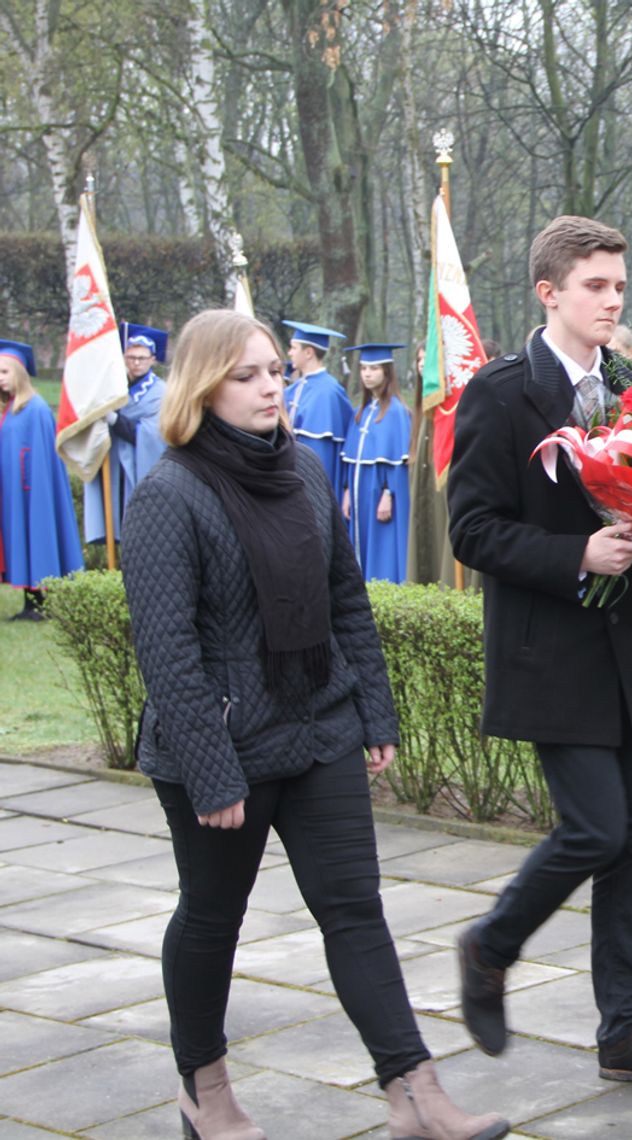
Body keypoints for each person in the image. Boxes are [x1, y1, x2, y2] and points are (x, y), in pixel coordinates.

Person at [120, 309, 508, 1140]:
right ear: (203, 387)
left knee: (354, 908)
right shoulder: (168, 495)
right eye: (247, 375)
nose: (270, 387)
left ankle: (414, 1093)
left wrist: (373, 707)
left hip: (317, 725)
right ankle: (205, 1090)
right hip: (222, 743)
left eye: (273, 371)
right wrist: (211, 768)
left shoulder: (299, 469)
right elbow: (167, 650)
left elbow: (344, 600)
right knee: (212, 915)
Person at [448, 215, 632, 1090]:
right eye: (596, 287)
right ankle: (490, 945)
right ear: (549, 292)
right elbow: (472, 530)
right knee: (595, 828)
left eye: (618, 285)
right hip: (552, 651)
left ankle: (626, 1031)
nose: (613, 300)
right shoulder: (499, 393)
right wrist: (576, 554)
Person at [0, 339, 83, 619]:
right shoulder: (8, 409)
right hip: (12, 491)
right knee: (19, 541)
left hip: (31, 490)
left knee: (35, 538)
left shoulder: (34, 409)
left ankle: (38, 603)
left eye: (4, 372)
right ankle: (30, 601)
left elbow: (41, 460)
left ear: (19, 374)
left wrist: (30, 485)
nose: (0, 379)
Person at [83, 322, 168, 543]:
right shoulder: (115, 387)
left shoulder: (161, 393)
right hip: (115, 466)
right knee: (115, 521)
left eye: (142, 357)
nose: (136, 363)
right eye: (131, 357)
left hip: (142, 467)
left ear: (153, 359)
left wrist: (114, 419)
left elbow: (153, 434)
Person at [340, 343, 412, 583]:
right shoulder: (361, 412)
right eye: (363, 369)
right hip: (360, 492)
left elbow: (397, 463)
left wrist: (389, 494)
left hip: (379, 493)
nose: (367, 374)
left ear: (387, 372)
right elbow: (351, 458)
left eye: (374, 368)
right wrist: (347, 492)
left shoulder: (396, 412)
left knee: (382, 544)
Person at [282, 319, 353, 491]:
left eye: (294, 347)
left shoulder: (330, 391)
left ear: (308, 352)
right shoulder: (292, 390)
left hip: (317, 481)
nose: (289, 353)